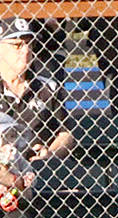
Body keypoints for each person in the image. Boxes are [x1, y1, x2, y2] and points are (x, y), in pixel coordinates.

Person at [0, 18, 73, 162]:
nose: (26, 51)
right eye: (17, 45)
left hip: (42, 170)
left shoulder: (48, 88)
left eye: (29, 44)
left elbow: (66, 134)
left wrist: (50, 154)